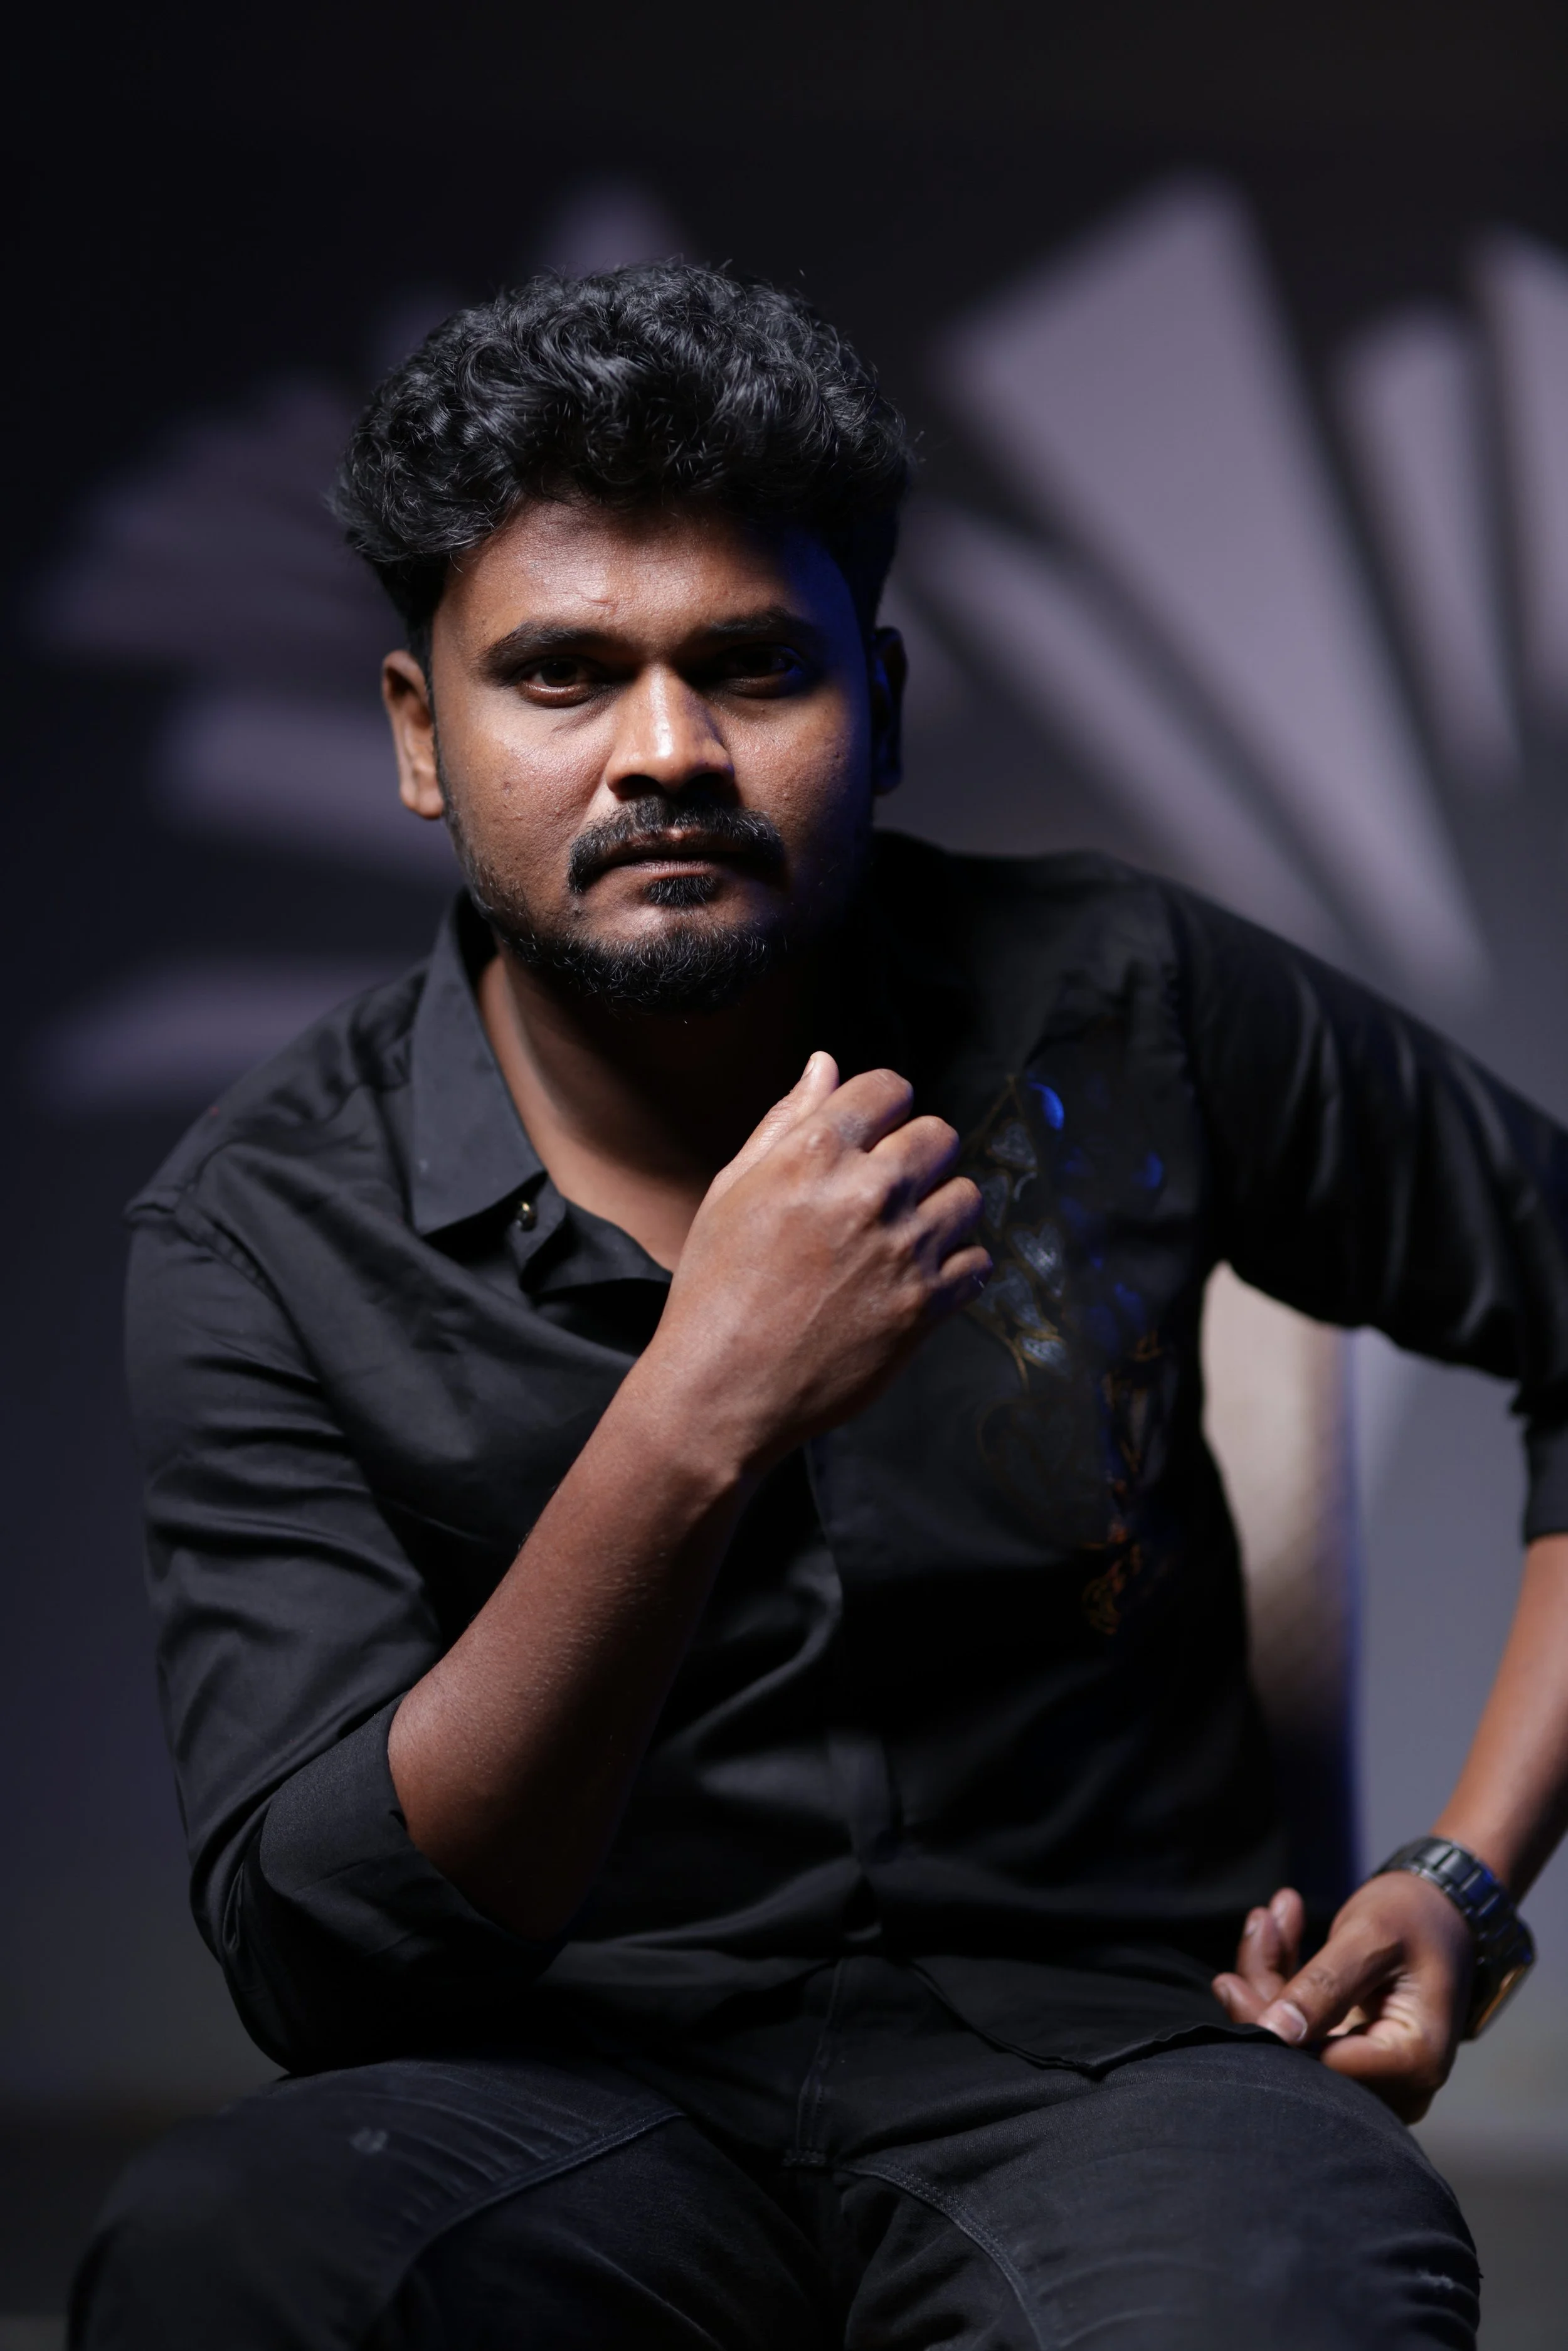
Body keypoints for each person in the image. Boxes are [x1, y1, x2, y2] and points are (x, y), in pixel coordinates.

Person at [72, 265, 1568, 2351]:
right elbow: (330, 1952)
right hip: (542, 2093)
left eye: (751, 666)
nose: (666, 750)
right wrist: (700, 1403)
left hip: (1120, 2073)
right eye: (563, 675)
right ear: (422, 734)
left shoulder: (1118, 997)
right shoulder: (256, 1224)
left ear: (871, 693)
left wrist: (1467, 1881)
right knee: (236, 2258)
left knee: (1289, 2298)